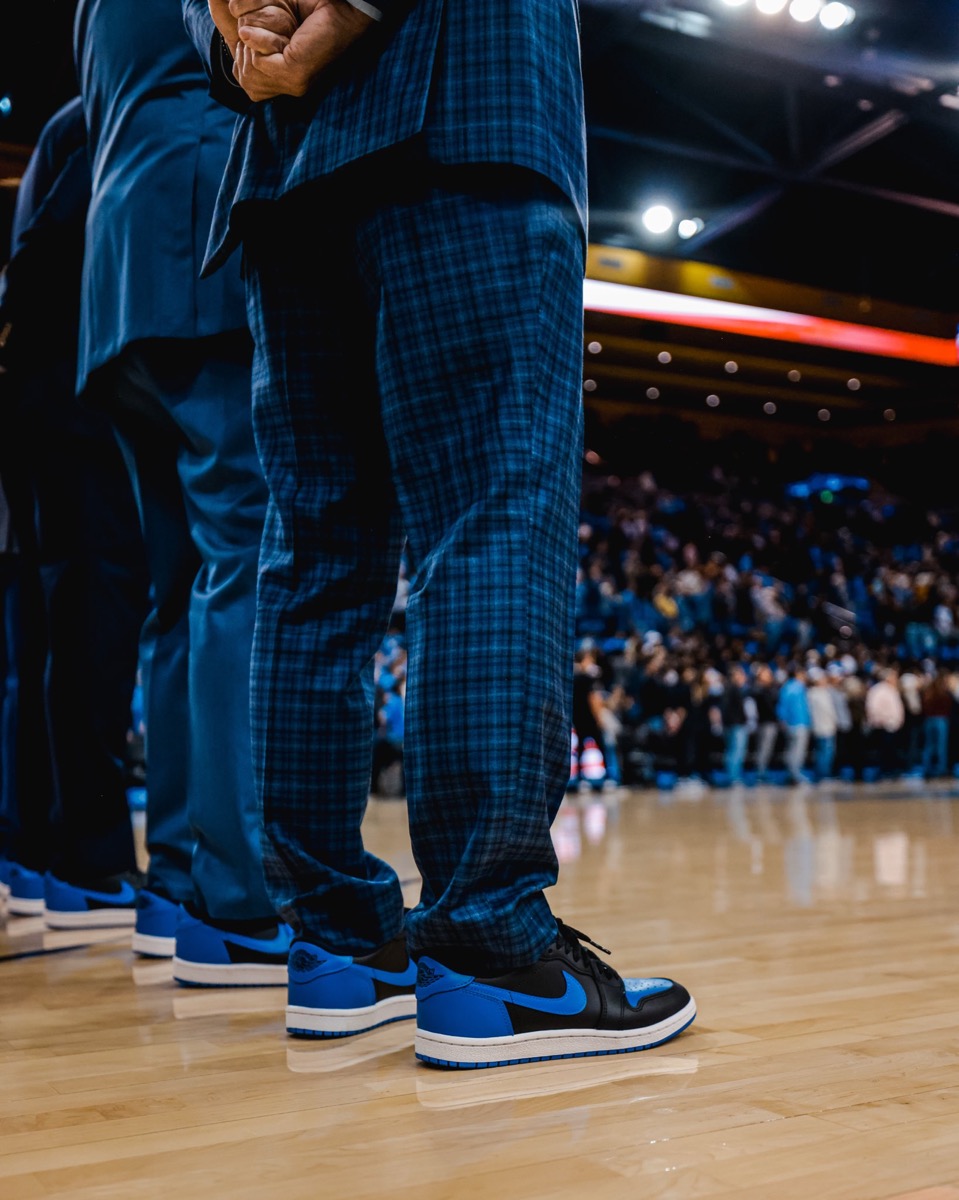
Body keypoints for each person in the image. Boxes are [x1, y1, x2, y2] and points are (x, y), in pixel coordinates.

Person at [184, 0, 695, 1066]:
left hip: (288, 162)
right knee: (489, 518)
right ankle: (489, 953)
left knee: (315, 556)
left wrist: (241, 37)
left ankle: (336, 943)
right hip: (461, 105)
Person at [74, 0, 292, 980]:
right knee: (241, 565)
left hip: (117, 282)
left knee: (176, 597)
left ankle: (176, 876)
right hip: (199, 238)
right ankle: (243, 892)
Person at [0, 100, 149, 923]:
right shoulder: (103, 119)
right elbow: (54, 247)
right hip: (72, 390)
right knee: (93, 620)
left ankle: (35, 845)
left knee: (43, 631)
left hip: (38, 391)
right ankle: (87, 855)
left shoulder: (73, 122)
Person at [777, 668, 812, 785]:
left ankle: (792, 774)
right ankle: (795, 775)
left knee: (791, 750)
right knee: (798, 752)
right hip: (799, 724)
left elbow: (781, 706)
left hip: (790, 724)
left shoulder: (786, 687)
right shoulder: (799, 688)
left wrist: (783, 720)